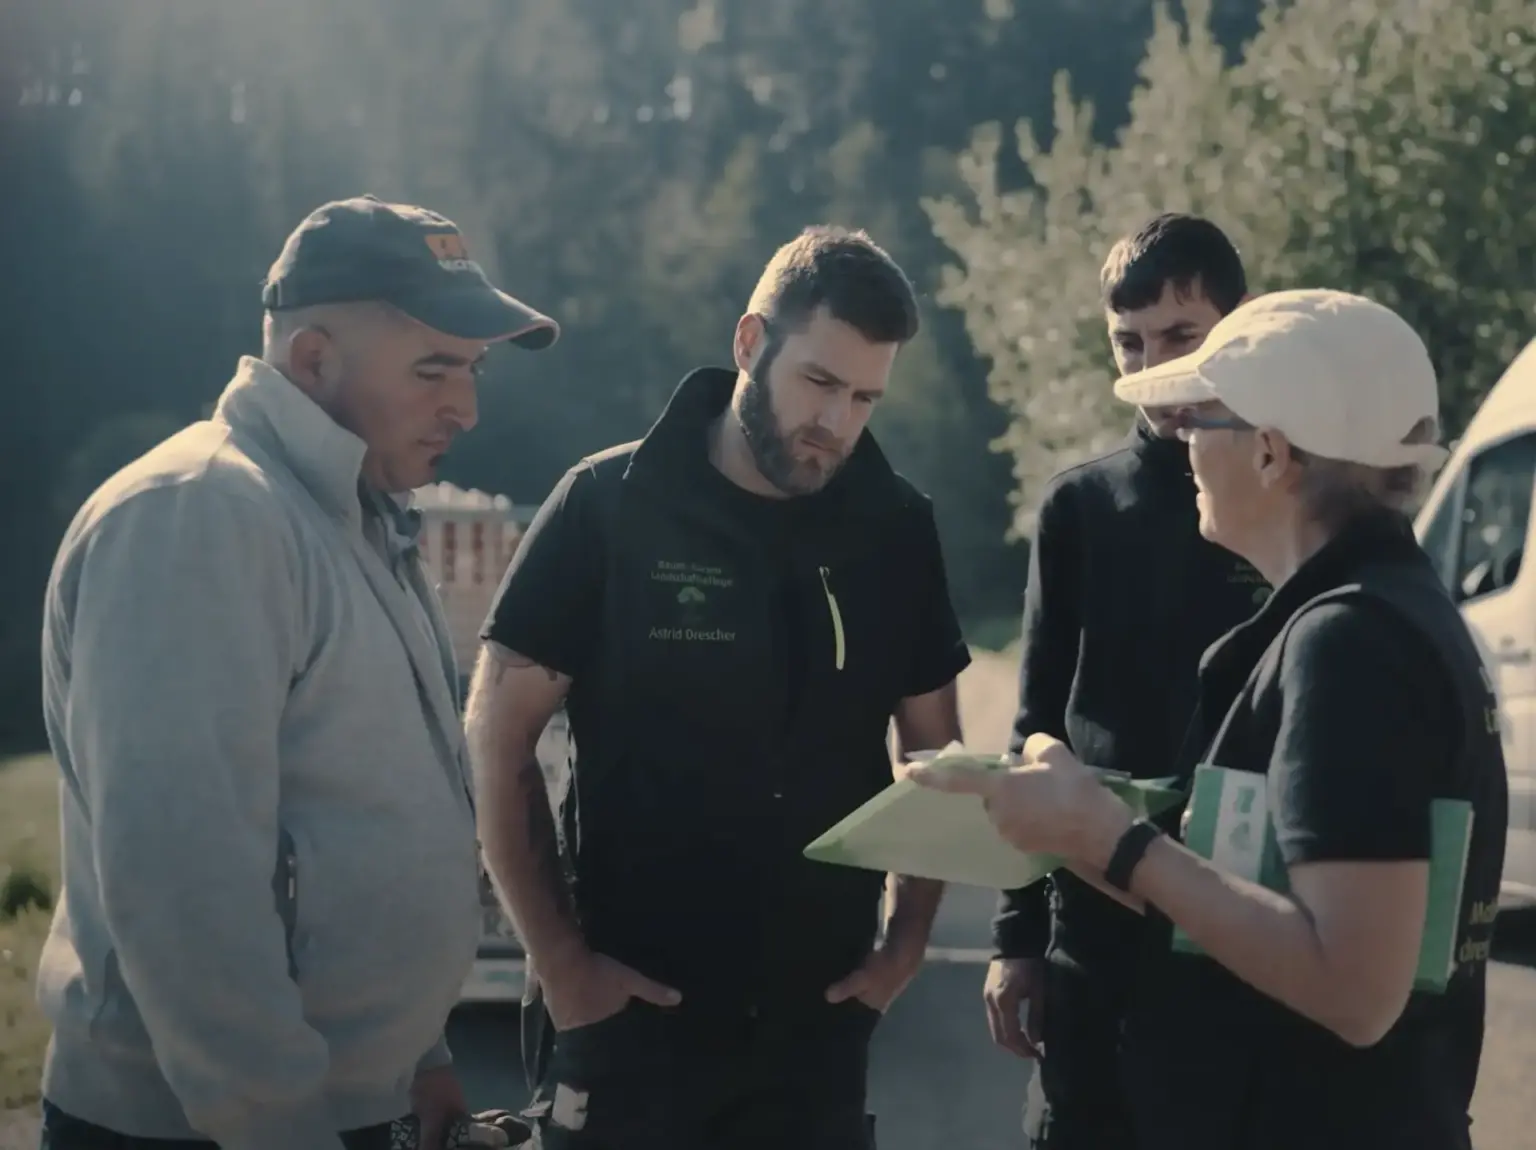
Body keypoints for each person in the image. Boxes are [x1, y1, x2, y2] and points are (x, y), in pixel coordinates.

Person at [916, 288, 1509, 1150]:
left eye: (1200, 421)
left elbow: (1354, 989)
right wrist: (1073, 826)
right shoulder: (1383, 617)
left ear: (1269, 452)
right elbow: (1252, 903)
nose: (1184, 447)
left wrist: (1109, 837)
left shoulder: (1350, 645)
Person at [35, 194, 557, 1150]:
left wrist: (420, 1059)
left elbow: (355, 816)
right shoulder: (201, 517)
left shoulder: (350, 515)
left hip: (330, 1109)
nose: (467, 408)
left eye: (471, 370)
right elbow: (186, 900)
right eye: (433, 368)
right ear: (312, 360)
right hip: (209, 1129)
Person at [466, 225, 972, 1149]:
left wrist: (904, 948)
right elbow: (497, 740)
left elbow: (935, 752)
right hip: (627, 1022)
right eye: (819, 383)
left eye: (865, 397)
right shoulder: (607, 504)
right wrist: (564, 965)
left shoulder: (894, 527)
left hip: (814, 1033)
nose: (838, 423)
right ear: (749, 343)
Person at [985, 212, 1268, 1149]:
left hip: (1245, 930)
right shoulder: (1081, 505)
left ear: (1240, 324)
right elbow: (1034, 725)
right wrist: (1016, 937)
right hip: (1092, 942)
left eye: (1180, 337)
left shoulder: (1286, 500)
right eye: (1128, 343)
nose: (1151, 369)